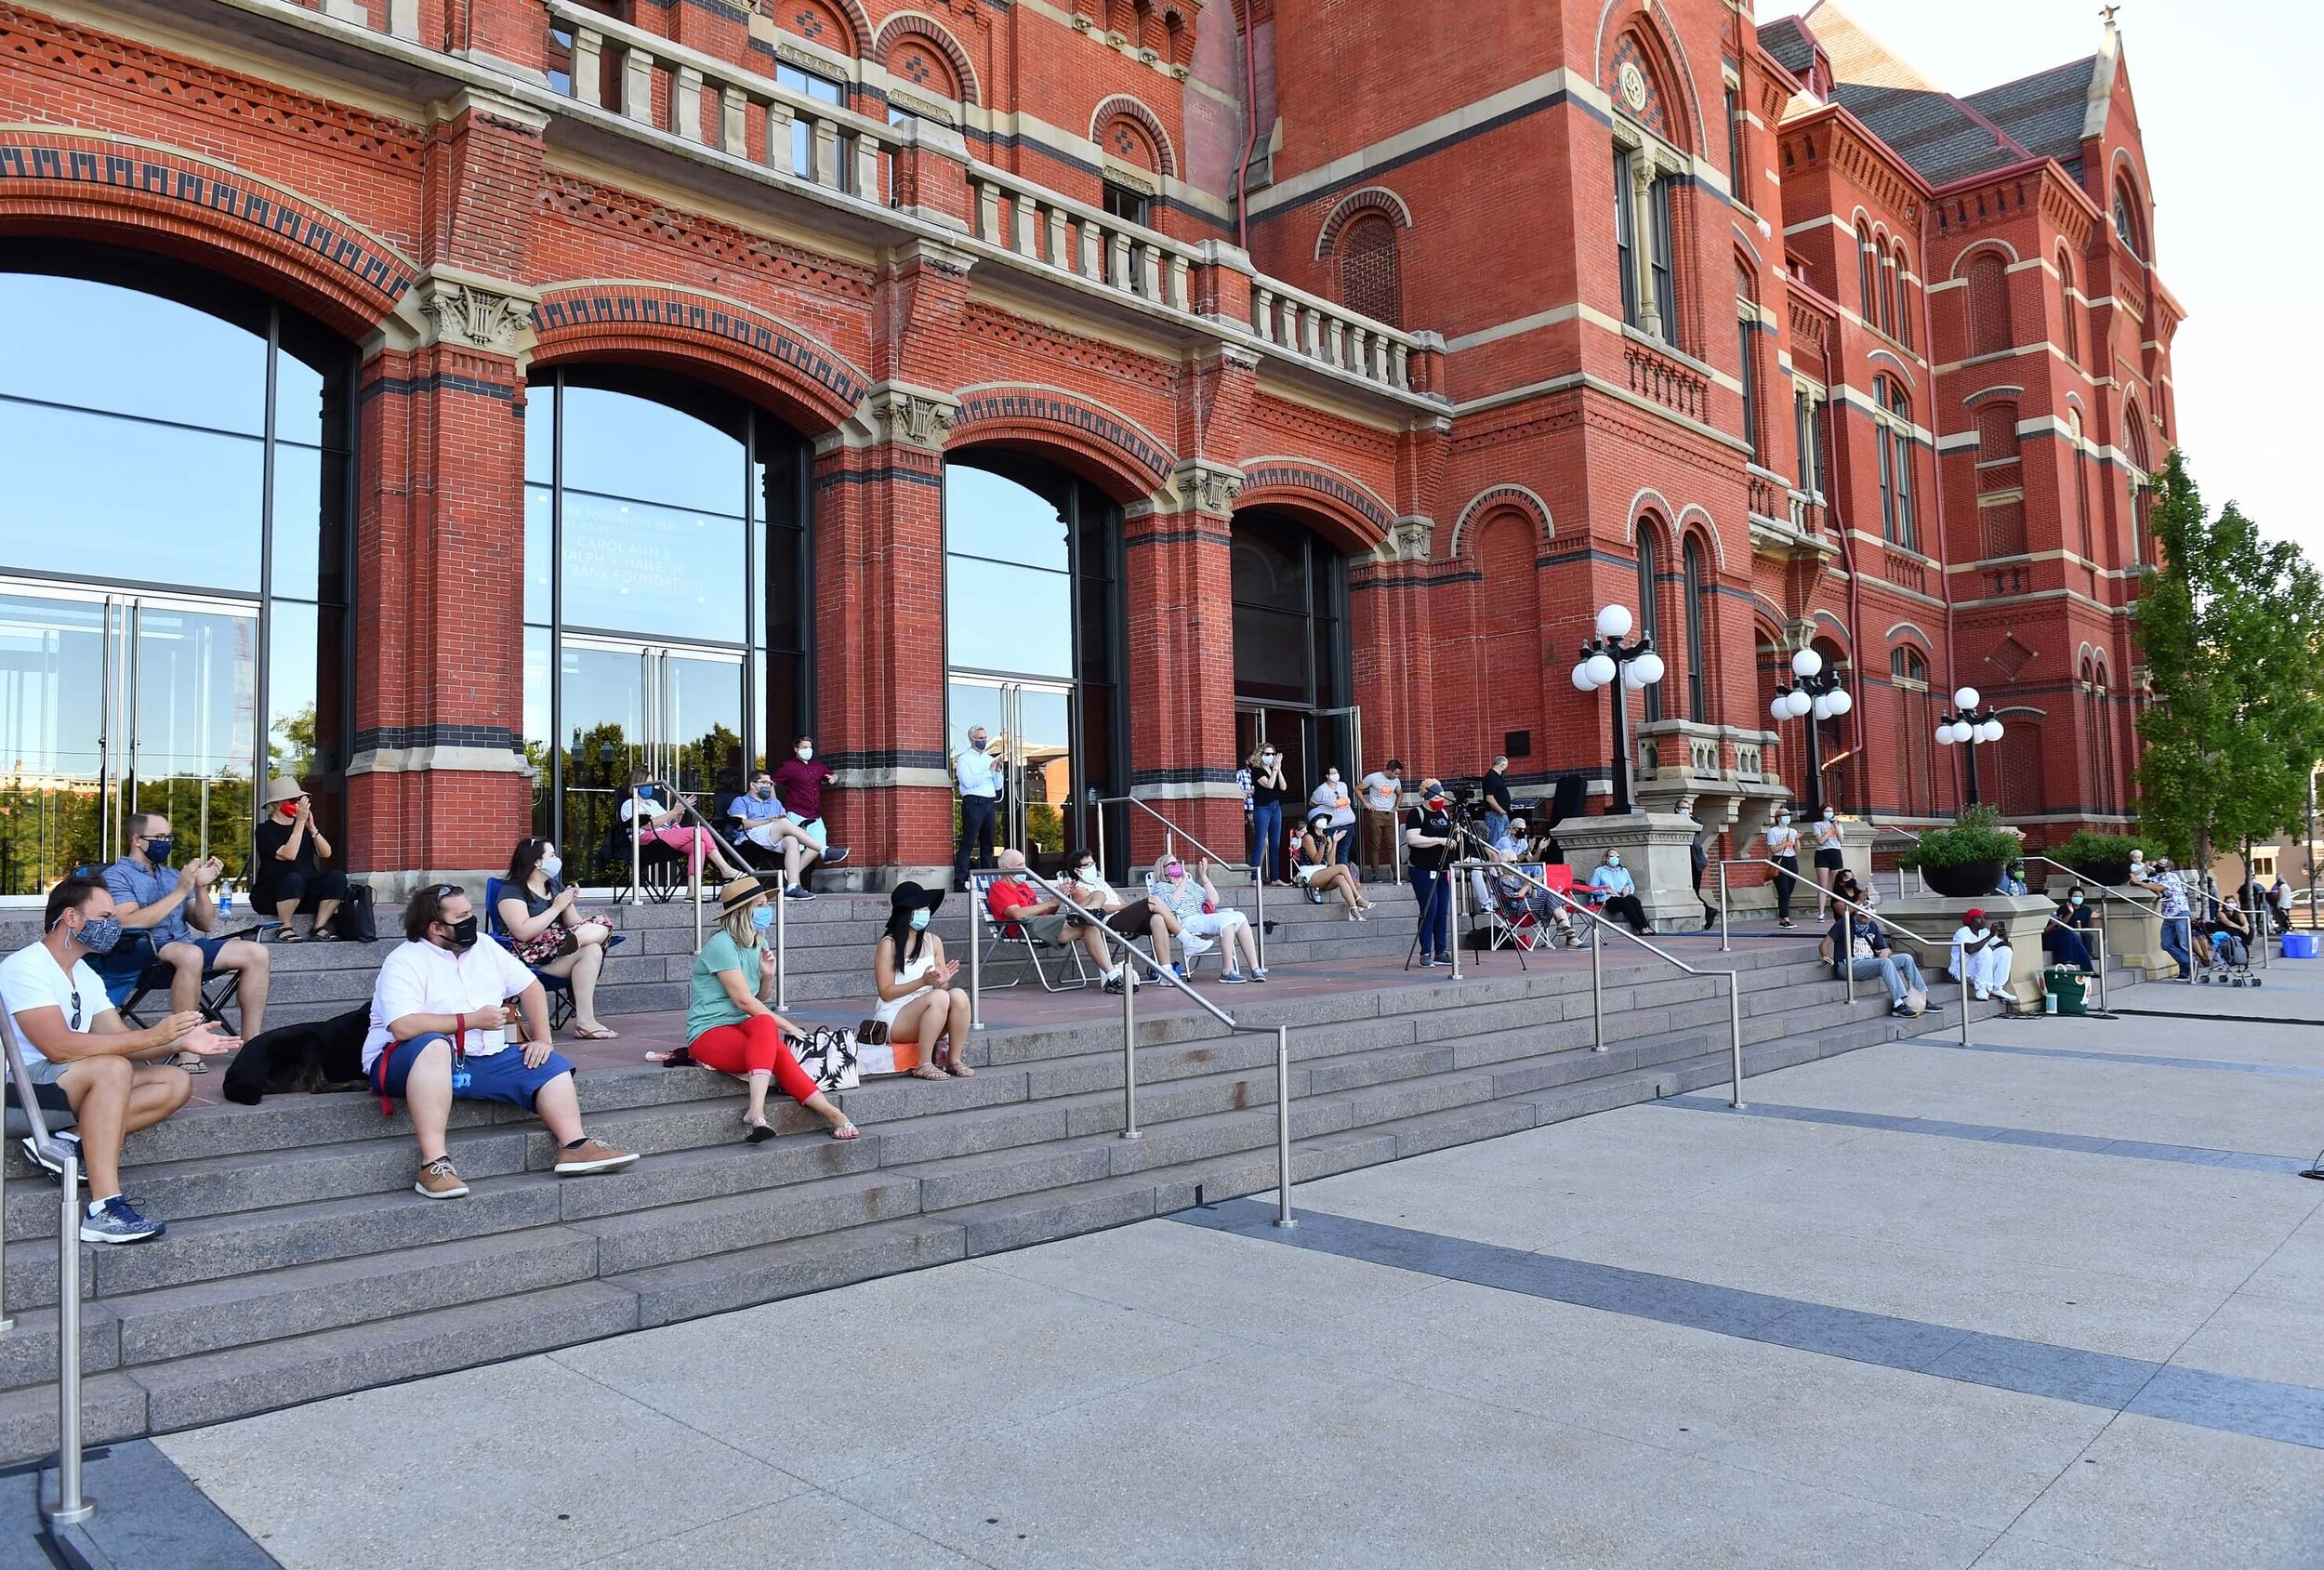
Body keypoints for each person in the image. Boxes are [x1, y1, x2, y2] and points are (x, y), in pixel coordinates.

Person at [0, 875, 236, 1242]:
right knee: (112, 1067)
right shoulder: (25, 967)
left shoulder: (83, 973)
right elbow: (57, 1047)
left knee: (174, 1081)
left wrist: (178, 1041)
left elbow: (124, 1041)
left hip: (58, 1086)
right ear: (72, 918)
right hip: (16, 1095)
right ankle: (104, 1208)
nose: (114, 926)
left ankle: (69, 1142)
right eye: (105, 916)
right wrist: (155, 1035)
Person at [364, 884, 638, 1198]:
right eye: (462, 916)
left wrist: (543, 1040)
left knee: (551, 1065)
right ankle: (434, 1164)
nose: (471, 921)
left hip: (480, 1057)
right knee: (434, 1045)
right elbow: (402, 1026)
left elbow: (531, 986)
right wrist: (470, 1021)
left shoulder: (483, 946)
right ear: (436, 927)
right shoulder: (404, 960)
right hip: (408, 1061)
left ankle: (575, 1146)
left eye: (471, 912)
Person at [682, 877, 858, 1140]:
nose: (768, 911)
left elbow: (759, 998)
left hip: (745, 1026)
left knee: (765, 1025)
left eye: (767, 904)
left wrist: (768, 976)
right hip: (710, 1031)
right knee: (774, 1046)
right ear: (743, 911)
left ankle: (758, 1111)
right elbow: (743, 1001)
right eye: (761, 905)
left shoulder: (758, 943)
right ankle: (829, 1113)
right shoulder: (722, 944)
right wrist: (788, 1026)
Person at [101, 810, 271, 1053]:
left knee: (256, 953)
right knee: (190, 954)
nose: (166, 843)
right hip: (139, 952)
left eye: (169, 837)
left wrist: (201, 887)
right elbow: (129, 922)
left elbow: (205, 924)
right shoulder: (116, 876)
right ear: (137, 840)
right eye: (159, 837)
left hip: (185, 944)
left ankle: (252, 1045)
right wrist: (182, 890)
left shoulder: (172, 875)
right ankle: (188, 1049)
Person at [495, 838, 619, 1040]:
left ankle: (584, 1021)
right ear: (536, 862)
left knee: (600, 929)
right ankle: (585, 1021)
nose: (557, 860)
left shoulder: (554, 886)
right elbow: (522, 932)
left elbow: (574, 923)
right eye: (551, 856)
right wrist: (556, 908)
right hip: (528, 952)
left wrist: (568, 904)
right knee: (593, 946)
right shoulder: (512, 891)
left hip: (561, 946)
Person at [872, 882, 972, 1078]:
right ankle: (923, 1064)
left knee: (958, 995)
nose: (925, 912)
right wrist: (923, 982)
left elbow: (941, 987)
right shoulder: (889, 945)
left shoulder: (933, 941)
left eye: (926, 908)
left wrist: (941, 981)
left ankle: (954, 1060)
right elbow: (886, 992)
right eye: (919, 908)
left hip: (932, 1010)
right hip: (896, 1015)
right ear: (907, 913)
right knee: (939, 998)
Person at [986, 848, 1121, 986]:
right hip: (1027, 926)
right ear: (1008, 868)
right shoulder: (999, 887)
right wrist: (1050, 902)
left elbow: (1048, 912)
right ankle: (1112, 975)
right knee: (1091, 924)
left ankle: (1084, 915)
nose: (1025, 868)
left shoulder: (1023, 886)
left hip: (1044, 922)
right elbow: (1017, 914)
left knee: (1098, 895)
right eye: (1021, 865)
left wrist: (1059, 897)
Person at [252, 776, 352, 942]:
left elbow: (326, 853)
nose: (298, 804)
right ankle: (285, 927)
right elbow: (288, 854)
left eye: (299, 800)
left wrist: (312, 828)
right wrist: (299, 822)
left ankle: (319, 926)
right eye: (293, 800)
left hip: (305, 892)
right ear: (277, 804)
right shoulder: (265, 830)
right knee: (294, 879)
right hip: (274, 894)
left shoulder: (303, 826)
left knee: (337, 877)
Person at [1062, 851, 1182, 988]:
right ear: (1077, 870)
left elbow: (1122, 901)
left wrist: (1126, 907)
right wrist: (1125, 907)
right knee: (1153, 901)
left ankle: (1166, 972)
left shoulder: (1101, 882)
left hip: (1123, 916)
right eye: (1087, 864)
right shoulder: (1077, 888)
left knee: (1158, 918)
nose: (1092, 866)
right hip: (1108, 922)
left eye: (1093, 863)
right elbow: (1098, 910)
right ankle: (1185, 936)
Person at [1824, 877, 1939, 1019]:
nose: (1864, 919)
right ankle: (1898, 1004)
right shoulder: (1845, 923)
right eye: (1861, 916)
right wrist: (1825, 956)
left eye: (1868, 917)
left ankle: (1922, 998)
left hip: (1868, 962)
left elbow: (1884, 948)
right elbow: (1824, 943)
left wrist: (1887, 950)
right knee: (1885, 963)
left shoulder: (1872, 926)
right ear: (1857, 914)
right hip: (1848, 964)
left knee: (1906, 958)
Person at [621, 770, 753, 889]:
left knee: (698, 844)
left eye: (652, 783)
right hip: (647, 841)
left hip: (665, 837)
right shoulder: (629, 804)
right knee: (700, 831)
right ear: (636, 784)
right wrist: (673, 812)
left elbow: (671, 823)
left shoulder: (653, 803)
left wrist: (680, 812)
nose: (651, 787)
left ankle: (692, 890)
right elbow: (647, 825)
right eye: (647, 783)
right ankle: (725, 870)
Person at [1151, 851, 1265, 983]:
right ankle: (1227, 970)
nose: (1178, 865)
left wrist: (1204, 877)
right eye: (1173, 864)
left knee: (1240, 917)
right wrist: (1181, 882)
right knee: (1227, 920)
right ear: (1164, 870)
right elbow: (1170, 906)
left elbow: (1214, 900)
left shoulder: (1191, 884)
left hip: (1202, 917)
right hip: (1186, 921)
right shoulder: (1161, 887)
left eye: (1178, 862)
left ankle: (1255, 969)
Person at [727, 772, 830, 901]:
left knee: (791, 840)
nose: (768, 786)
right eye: (764, 783)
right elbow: (740, 824)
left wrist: (777, 823)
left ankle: (792, 887)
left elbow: (785, 823)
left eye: (770, 784)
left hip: (774, 838)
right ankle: (823, 849)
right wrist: (769, 821)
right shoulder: (741, 801)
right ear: (753, 785)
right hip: (749, 838)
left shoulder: (775, 803)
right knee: (784, 824)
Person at [769, 735, 850, 884]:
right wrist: (775, 805)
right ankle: (795, 883)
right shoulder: (789, 766)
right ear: (796, 749)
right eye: (804, 747)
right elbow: (771, 783)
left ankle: (790, 875)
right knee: (797, 847)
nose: (808, 750)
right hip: (795, 812)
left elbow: (832, 774)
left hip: (815, 814)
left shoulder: (817, 766)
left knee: (818, 845)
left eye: (810, 747)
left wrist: (833, 778)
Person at [1403, 777, 1457, 967]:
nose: (1440, 801)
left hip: (1442, 868)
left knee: (1442, 910)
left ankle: (1440, 951)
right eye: (1438, 796)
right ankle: (1425, 951)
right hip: (1422, 869)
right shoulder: (1416, 813)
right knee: (1429, 909)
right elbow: (1413, 839)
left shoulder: (1443, 812)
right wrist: (1439, 840)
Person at [1294, 810, 1372, 919]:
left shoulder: (1327, 837)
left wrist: (1334, 843)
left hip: (1323, 872)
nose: (1324, 820)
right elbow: (1316, 860)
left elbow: (1331, 863)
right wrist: (1322, 845)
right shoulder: (1308, 838)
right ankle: (1358, 898)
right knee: (1342, 867)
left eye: (1324, 818)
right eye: (1320, 818)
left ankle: (1354, 909)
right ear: (1313, 823)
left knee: (1340, 878)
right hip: (1310, 874)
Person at [954, 724, 1004, 891]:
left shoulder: (989, 759)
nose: (984, 741)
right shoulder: (964, 759)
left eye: (985, 738)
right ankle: (960, 882)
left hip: (989, 803)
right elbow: (968, 782)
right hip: (973, 802)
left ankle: (988, 882)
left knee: (987, 844)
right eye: (980, 738)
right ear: (972, 740)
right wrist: (988, 772)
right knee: (968, 842)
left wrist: (996, 771)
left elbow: (997, 787)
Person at [2136, 856, 2194, 979]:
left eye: (2160, 864)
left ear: (2167, 867)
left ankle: (2186, 970)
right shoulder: (2158, 877)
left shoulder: (2172, 876)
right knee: (2166, 944)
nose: (2157, 865)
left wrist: (2140, 882)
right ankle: (2189, 963)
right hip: (2168, 915)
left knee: (2184, 943)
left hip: (2180, 912)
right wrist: (2143, 872)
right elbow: (2137, 882)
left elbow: (2159, 888)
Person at [1949, 906, 2014, 1002]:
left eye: (1983, 917)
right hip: (1963, 970)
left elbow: (2005, 947)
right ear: (1970, 920)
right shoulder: (1962, 932)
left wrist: (2005, 937)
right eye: (1979, 918)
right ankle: (1981, 988)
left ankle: (1997, 988)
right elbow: (1970, 949)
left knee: (2006, 950)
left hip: (1979, 970)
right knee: (1986, 950)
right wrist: (1990, 936)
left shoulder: (1984, 932)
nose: (1983, 920)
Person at [1248, 745, 1289, 885]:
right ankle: (1254, 877)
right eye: (1268, 754)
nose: (1271, 756)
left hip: (1275, 807)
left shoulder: (1273, 769)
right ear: (1261, 755)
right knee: (1260, 842)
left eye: (1273, 754)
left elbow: (1283, 786)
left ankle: (1275, 877)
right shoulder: (1257, 770)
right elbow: (1269, 785)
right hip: (1262, 808)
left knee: (1275, 843)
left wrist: (1278, 769)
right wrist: (1275, 769)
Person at [1588, 851, 1652, 935]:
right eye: (1612, 856)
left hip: (1621, 895)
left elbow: (1631, 884)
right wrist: (1606, 890)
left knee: (1634, 900)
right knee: (1625, 903)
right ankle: (1640, 927)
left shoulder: (1623, 870)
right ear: (1606, 858)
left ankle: (1646, 926)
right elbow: (1592, 889)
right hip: (1607, 898)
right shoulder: (1599, 871)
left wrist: (1628, 888)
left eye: (1617, 856)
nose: (1615, 858)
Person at [1358, 759, 1403, 875]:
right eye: (1396, 773)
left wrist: (1396, 806)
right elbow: (1358, 788)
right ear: (1389, 770)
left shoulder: (1396, 781)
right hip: (1376, 813)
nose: (1397, 776)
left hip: (1390, 814)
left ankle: (1396, 872)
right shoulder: (1373, 777)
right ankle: (1375, 873)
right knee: (1375, 845)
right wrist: (1365, 802)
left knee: (1392, 844)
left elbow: (1400, 793)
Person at [1763, 809, 1803, 928]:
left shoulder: (1792, 831)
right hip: (1779, 860)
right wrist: (1785, 844)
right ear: (1778, 817)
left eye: (1788, 815)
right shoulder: (1772, 831)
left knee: (1789, 890)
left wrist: (1796, 839)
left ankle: (1783, 916)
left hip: (1791, 860)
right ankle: (1785, 917)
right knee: (1783, 890)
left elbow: (1797, 851)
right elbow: (1773, 850)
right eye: (1784, 815)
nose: (1787, 818)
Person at [1311, 767, 1357, 866]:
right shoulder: (1321, 790)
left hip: (1348, 823)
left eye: (1337, 772)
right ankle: (1335, 874)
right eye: (1333, 773)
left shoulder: (1343, 785)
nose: (1336, 775)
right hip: (1332, 826)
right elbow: (1312, 804)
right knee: (1331, 851)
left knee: (1344, 850)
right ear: (1327, 776)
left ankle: (1342, 873)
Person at [2044, 887, 2098, 973]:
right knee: (2071, 934)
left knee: (2082, 935)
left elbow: (2089, 926)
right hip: (2058, 935)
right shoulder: (2063, 908)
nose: (2078, 898)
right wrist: (2070, 913)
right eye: (2076, 896)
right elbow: (2057, 926)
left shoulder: (2086, 909)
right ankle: (2068, 961)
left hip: (2070, 933)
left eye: (2080, 896)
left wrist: (2092, 918)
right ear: (2069, 897)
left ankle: (2088, 967)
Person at [1810, 807, 1846, 918]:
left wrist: (1835, 826)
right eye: (1827, 811)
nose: (1829, 813)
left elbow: (1841, 839)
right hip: (1822, 853)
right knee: (1823, 885)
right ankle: (1821, 913)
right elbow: (1820, 841)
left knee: (1836, 884)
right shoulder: (1817, 825)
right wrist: (1830, 830)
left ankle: (1838, 910)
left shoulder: (1838, 824)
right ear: (1822, 813)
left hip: (1835, 852)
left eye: (1831, 811)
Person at [1480, 754, 1514, 849]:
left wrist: (1507, 805)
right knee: (1496, 844)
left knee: (1505, 842)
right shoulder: (1491, 777)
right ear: (1502, 765)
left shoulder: (1497, 777)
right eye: (1505, 767)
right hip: (1496, 816)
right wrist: (1501, 810)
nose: (1505, 770)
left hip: (1501, 815)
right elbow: (1489, 797)